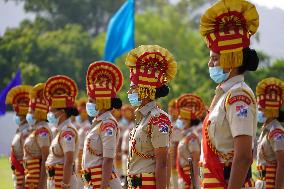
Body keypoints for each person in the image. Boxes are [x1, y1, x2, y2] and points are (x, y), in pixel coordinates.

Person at [199, 0, 259, 188]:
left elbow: (243, 157)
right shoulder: (224, 95)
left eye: (214, 59)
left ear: (230, 60)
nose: (210, 64)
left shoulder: (238, 96)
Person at [125, 45, 177, 189]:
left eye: (133, 87)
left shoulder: (159, 118)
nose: (129, 91)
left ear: (145, 89)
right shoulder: (142, 118)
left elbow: (162, 163)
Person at [82, 61, 123, 189]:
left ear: (102, 101)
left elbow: (108, 159)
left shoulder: (108, 124)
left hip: (103, 183)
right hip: (91, 182)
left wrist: (103, 187)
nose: (88, 104)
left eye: (91, 101)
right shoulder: (97, 123)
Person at [44, 75, 79, 189]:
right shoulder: (60, 131)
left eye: (52, 111)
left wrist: (65, 184)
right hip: (54, 180)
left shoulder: (67, 132)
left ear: (62, 112)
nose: (49, 115)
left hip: (61, 182)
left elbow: (68, 161)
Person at [255, 77, 284, 189]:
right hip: (262, 182)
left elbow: (282, 163)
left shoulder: (276, 132)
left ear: (269, 109)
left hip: (270, 184)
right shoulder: (266, 130)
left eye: (261, 108)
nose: (259, 111)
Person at [24, 83, 53, 189]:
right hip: (31, 178)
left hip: (37, 182)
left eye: (30, 111)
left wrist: (41, 184)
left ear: (38, 112)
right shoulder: (36, 129)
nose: (28, 114)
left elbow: (45, 159)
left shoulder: (42, 131)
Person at [176, 94, 206, 189]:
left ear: (188, 120)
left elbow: (195, 159)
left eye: (181, 119)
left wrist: (194, 181)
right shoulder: (185, 136)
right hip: (184, 175)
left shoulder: (192, 137)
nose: (179, 121)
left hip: (189, 176)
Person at [6, 85, 33, 189]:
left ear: (22, 114)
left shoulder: (26, 131)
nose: (15, 115)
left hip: (22, 173)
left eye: (17, 113)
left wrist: (24, 178)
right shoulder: (20, 130)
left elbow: (26, 156)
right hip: (17, 173)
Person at [75, 98, 91, 189]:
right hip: (76, 154)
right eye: (82, 112)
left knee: (82, 179)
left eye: (85, 112)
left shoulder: (88, 126)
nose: (83, 114)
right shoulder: (77, 125)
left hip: (82, 154)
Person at [168, 98, 182, 189]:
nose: (171, 110)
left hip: (180, 150)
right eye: (170, 108)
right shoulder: (168, 121)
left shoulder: (181, 122)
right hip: (170, 150)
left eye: (174, 108)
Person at [120, 104, 135, 187]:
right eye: (123, 112)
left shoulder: (134, 125)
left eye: (127, 112)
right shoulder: (122, 124)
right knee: (123, 180)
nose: (125, 114)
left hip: (131, 156)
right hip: (123, 156)